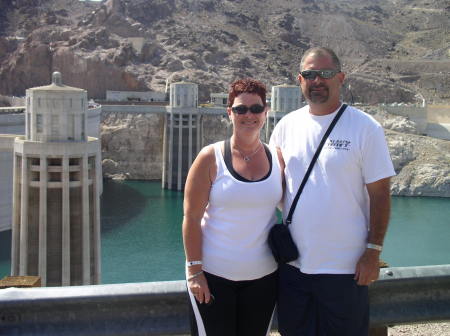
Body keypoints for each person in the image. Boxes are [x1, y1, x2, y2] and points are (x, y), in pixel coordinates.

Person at [269, 47, 396, 336]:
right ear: (299, 79)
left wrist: (373, 252)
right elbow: (274, 189)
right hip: (294, 269)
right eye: (310, 74)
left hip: (345, 270)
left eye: (325, 74)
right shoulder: (286, 127)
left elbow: (380, 195)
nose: (317, 81)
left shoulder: (365, 128)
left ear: (340, 78)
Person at [182, 78, 284, 336]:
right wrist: (195, 273)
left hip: (263, 279)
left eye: (256, 108)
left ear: (266, 112)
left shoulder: (278, 158)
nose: (248, 115)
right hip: (214, 278)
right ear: (230, 113)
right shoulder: (210, 157)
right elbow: (191, 218)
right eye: (240, 109)